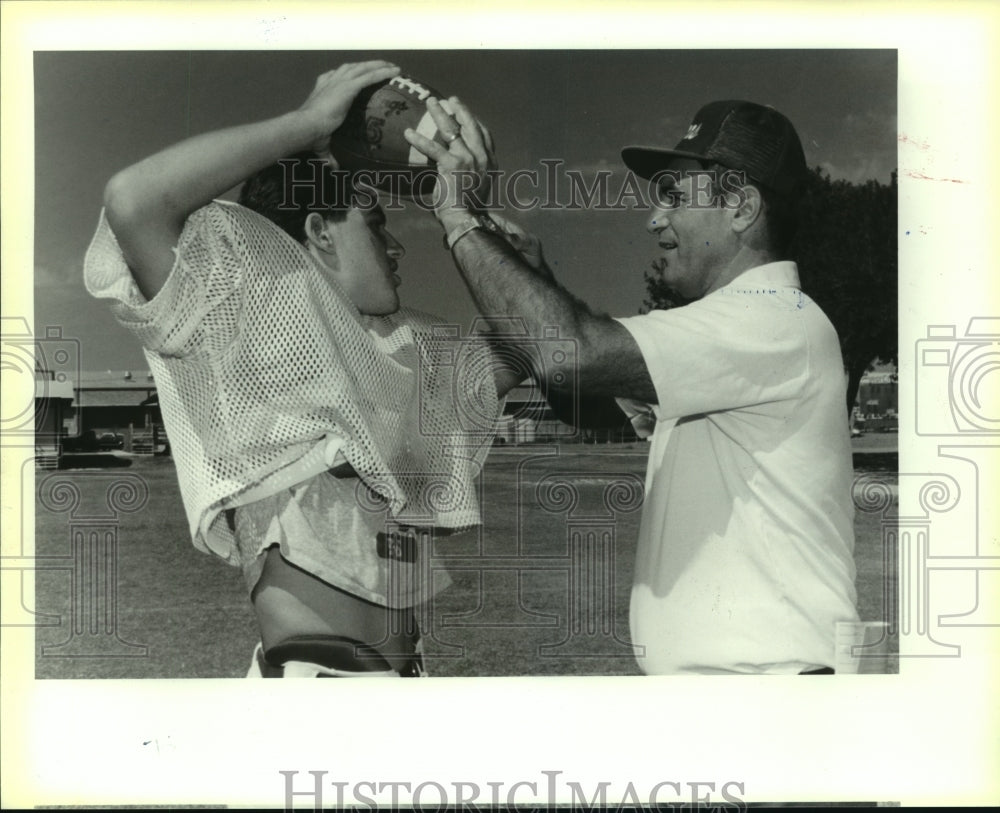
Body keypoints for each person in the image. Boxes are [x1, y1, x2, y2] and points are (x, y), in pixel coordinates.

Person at [84, 62, 520, 678]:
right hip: (318, 677)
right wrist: (306, 126)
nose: (397, 249)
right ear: (318, 231)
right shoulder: (243, 316)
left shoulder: (397, 350)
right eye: (376, 226)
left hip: (404, 675)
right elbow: (134, 201)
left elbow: (528, 348)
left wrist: (469, 218)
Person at [404, 97, 861, 675]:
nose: (654, 218)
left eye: (674, 196)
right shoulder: (738, 327)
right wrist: (535, 281)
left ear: (741, 207)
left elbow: (570, 354)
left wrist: (458, 217)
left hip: (767, 693)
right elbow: (590, 405)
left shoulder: (771, 317)